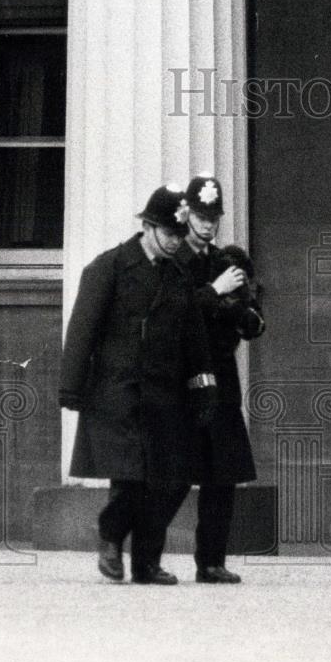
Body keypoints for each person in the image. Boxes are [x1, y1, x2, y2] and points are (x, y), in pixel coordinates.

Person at [59, 185, 217, 584]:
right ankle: (111, 538)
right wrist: (71, 387)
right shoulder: (109, 268)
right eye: (169, 233)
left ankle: (146, 563)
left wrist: (204, 388)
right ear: (148, 227)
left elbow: (195, 341)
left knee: (171, 481)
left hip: (166, 395)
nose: (176, 242)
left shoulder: (178, 275)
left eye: (181, 235)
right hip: (119, 392)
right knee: (131, 478)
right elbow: (82, 331)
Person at [174, 175, 264, 584]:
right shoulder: (173, 260)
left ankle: (211, 560)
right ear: (186, 214)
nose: (208, 225)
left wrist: (245, 313)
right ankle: (144, 553)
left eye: (214, 217)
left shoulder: (225, 261)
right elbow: (174, 313)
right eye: (200, 216)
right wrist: (215, 291)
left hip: (222, 374)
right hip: (184, 374)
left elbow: (252, 318)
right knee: (172, 473)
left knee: (222, 472)